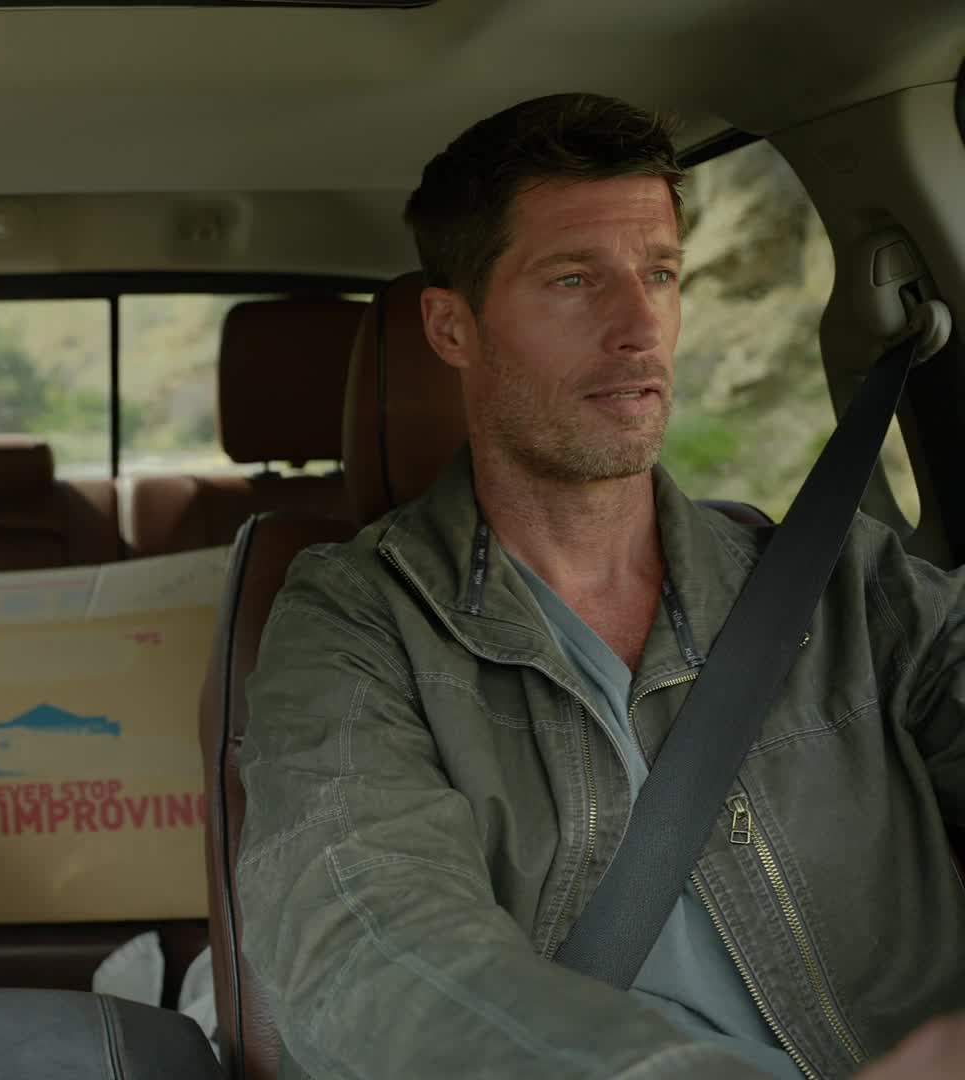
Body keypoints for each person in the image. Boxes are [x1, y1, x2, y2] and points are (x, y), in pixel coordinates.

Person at [237, 93, 965, 1079]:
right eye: (574, 280)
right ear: (452, 328)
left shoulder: (843, 584)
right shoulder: (359, 623)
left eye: (659, 274)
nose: (639, 327)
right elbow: (374, 949)